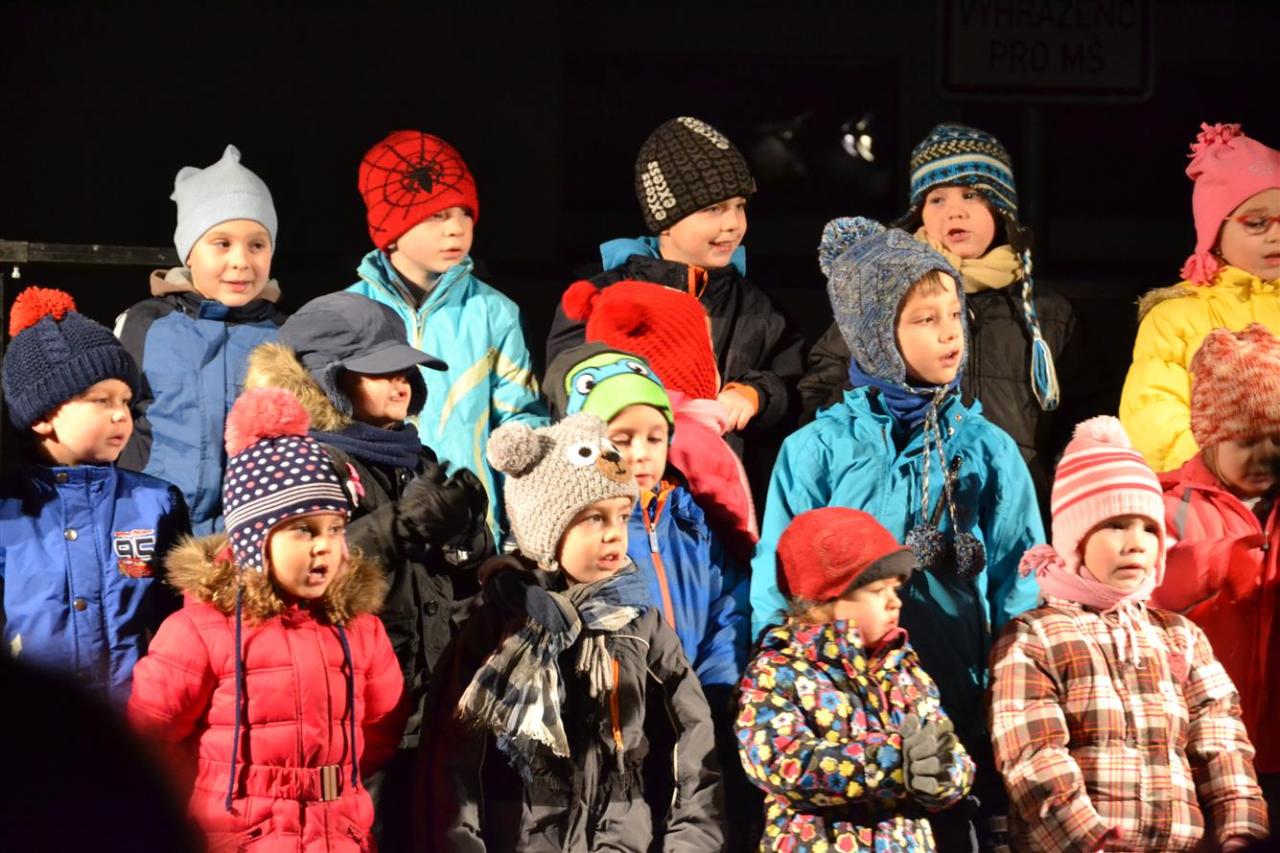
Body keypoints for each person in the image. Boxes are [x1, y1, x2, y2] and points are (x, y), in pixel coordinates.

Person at [752, 217, 1043, 849]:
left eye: (955, 315)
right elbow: (778, 578)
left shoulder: (988, 448)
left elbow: (1020, 577)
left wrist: (1012, 687)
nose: (950, 333)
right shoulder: (817, 450)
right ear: (877, 337)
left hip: (956, 701)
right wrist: (782, 677)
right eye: (925, 320)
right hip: (839, 711)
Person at [244, 291, 494, 850]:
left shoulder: (417, 459)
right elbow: (301, 575)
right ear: (323, 382)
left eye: (405, 370)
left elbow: (454, 579)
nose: (400, 383)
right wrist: (400, 527)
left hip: (431, 705)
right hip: (351, 715)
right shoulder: (301, 463)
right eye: (379, 372)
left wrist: (470, 540)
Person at [425, 414, 723, 852]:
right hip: (524, 835)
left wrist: (690, 841)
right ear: (547, 532)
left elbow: (693, 735)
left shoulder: (639, 622)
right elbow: (454, 758)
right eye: (594, 519)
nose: (614, 536)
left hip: (620, 838)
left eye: (622, 517)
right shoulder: (499, 627)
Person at [127, 388, 408, 850]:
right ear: (254, 541)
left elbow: (382, 726)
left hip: (339, 836)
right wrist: (206, 799)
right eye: (303, 531)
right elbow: (150, 739)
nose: (324, 546)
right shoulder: (199, 631)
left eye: (335, 529)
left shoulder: (360, 629)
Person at [990, 416, 1270, 851]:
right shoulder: (1036, 636)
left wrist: (1241, 829)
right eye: (1116, 525)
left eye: (1150, 529)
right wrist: (1089, 839)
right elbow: (1033, 755)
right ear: (1075, 538)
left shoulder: (1180, 636)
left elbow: (1220, 739)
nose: (1137, 543)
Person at [799, 123, 1077, 515]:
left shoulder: (1048, 312)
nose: (955, 211)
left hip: (1011, 508)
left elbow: (1081, 418)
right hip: (903, 507)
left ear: (1001, 206)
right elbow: (817, 401)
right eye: (936, 199)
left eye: (971, 194)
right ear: (919, 213)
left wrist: (1056, 484)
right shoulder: (882, 296)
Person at [545, 116, 805, 487]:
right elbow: (565, 389)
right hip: (619, 496)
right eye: (713, 209)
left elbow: (794, 385)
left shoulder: (756, 307)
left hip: (718, 499)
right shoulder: (604, 298)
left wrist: (755, 393)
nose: (733, 223)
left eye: (739, 205)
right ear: (665, 219)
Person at [738, 507, 975, 852]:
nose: (895, 603)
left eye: (895, 589)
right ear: (823, 601)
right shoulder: (778, 669)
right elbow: (779, 762)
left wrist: (943, 776)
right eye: (878, 591)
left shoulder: (904, 670)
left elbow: (949, 750)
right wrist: (893, 763)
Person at [348, 130, 546, 538]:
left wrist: (520, 536)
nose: (456, 228)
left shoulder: (495, 313)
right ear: (390, 226)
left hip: (474, 532)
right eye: (436, 215)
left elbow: (520, 423)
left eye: (464, 213)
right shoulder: (349, 312)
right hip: (377, 533)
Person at [0, 286, 188, 709]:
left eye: (126, 400)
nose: (121, 414)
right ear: (42, 416)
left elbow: (181, 628)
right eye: (100, 400)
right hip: (34, 726)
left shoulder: (157, 503)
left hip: (136, 722)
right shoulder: (9, 513)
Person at [116, 144, 286, 533]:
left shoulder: (285, 335)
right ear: (189, 253)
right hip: (151, 530)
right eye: (222, 243)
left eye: (257, 245)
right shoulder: (144, 324)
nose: (241, 261)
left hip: (249, 537)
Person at [1154, 324, 1280, 813]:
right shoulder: (1167, 508)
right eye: (1246, 440)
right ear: (1209, 436)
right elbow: (1144, 596)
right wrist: (1210, 564)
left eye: (1277, 439)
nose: (1265, 456)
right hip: (1205, 748)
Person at [1120, 122, 1280, 471]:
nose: (1275, 235)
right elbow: (1154, 414)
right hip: (1213, 493)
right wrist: (1221, 473)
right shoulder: (1176, 315)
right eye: (1257, 223)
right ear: (1214, 232)